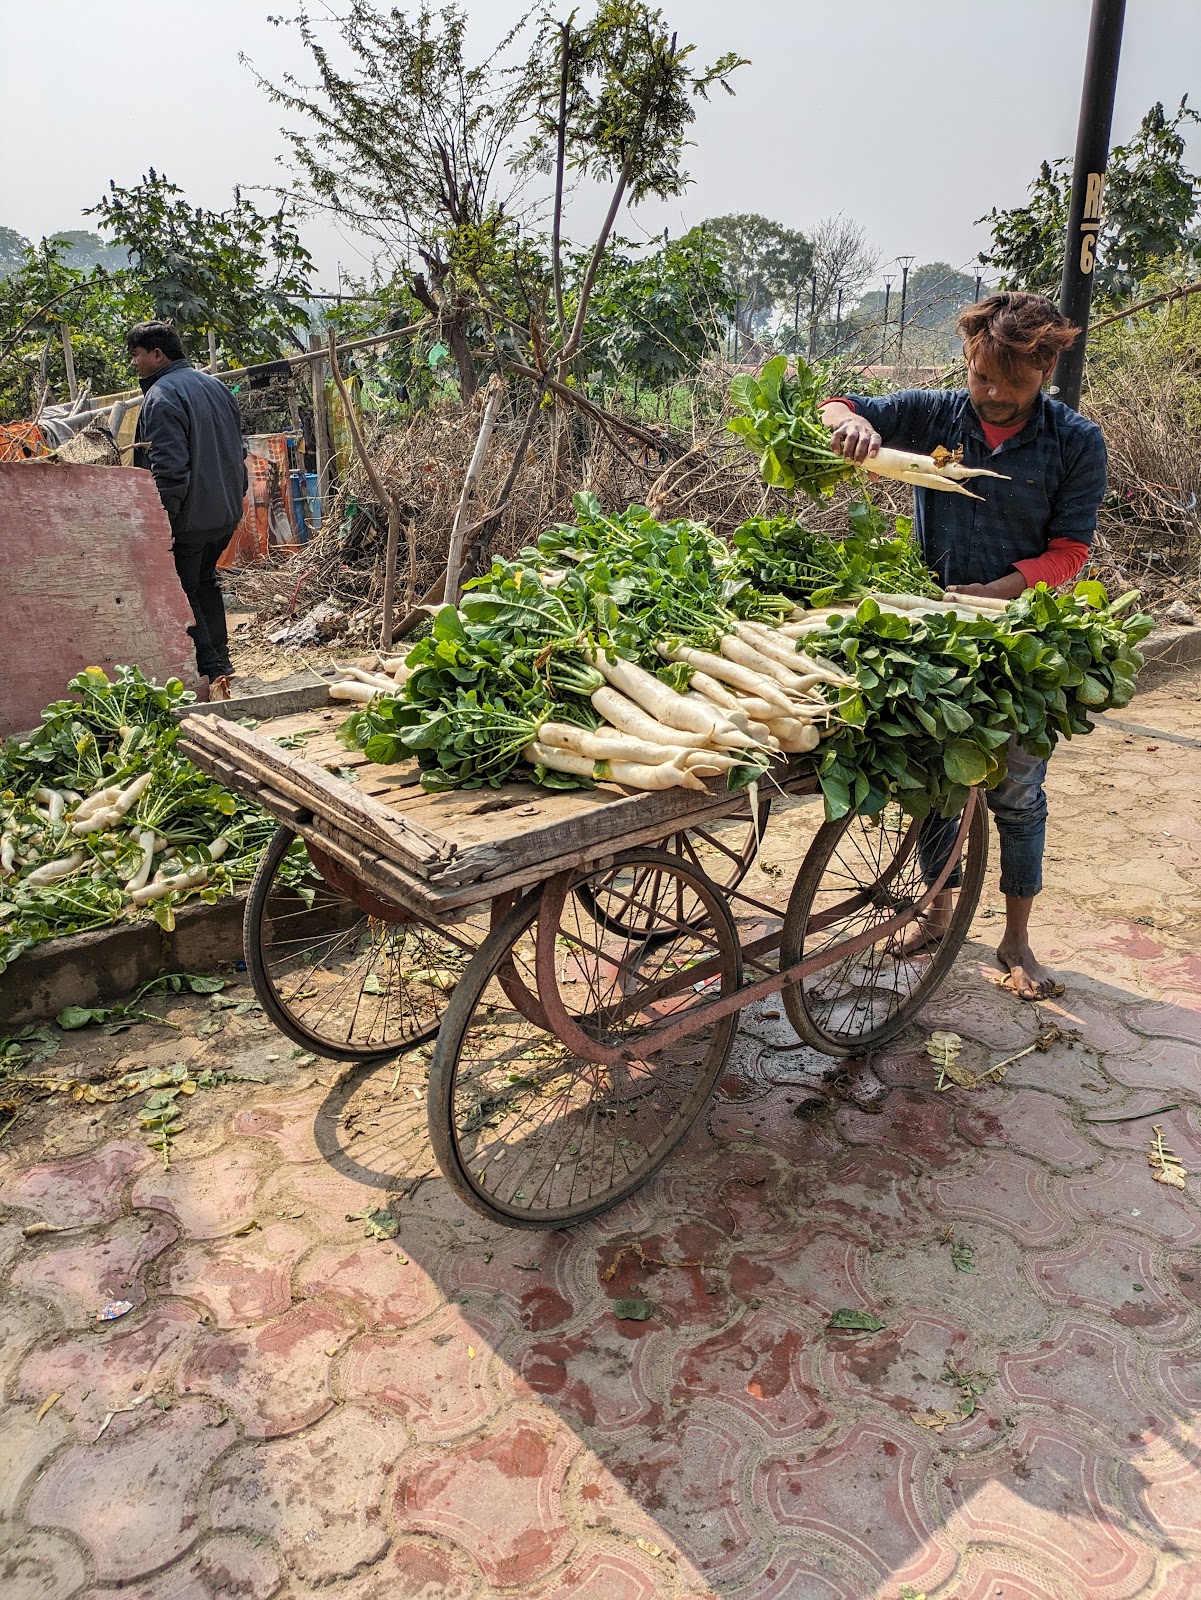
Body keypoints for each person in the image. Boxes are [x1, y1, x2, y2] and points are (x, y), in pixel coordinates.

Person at [819, 291, 1107, 1001]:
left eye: (1014, 384)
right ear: (969, 358)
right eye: (983, 377)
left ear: (1044, 369)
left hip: (1017, 639)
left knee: (1015, 794)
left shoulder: (1074, 440)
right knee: (932, 787)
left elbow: (1070, 551)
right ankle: (934, 912)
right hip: (929, 627)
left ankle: (1014, 939)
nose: (994, 396)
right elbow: (835, 401)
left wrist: (998, 592)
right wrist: (849, 422)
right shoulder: (935, 412)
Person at [128, 322, 247, 688]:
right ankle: (222, 664)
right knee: (206, 583)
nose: (134, 364)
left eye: (136, 355)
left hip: (189, 517)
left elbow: (170, 470)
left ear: (158, 354)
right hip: (224, 513)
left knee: (187, 590)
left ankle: (211, 670)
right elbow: (237, 453)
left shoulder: (162, 397)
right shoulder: (215, 385)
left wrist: (162, 520)